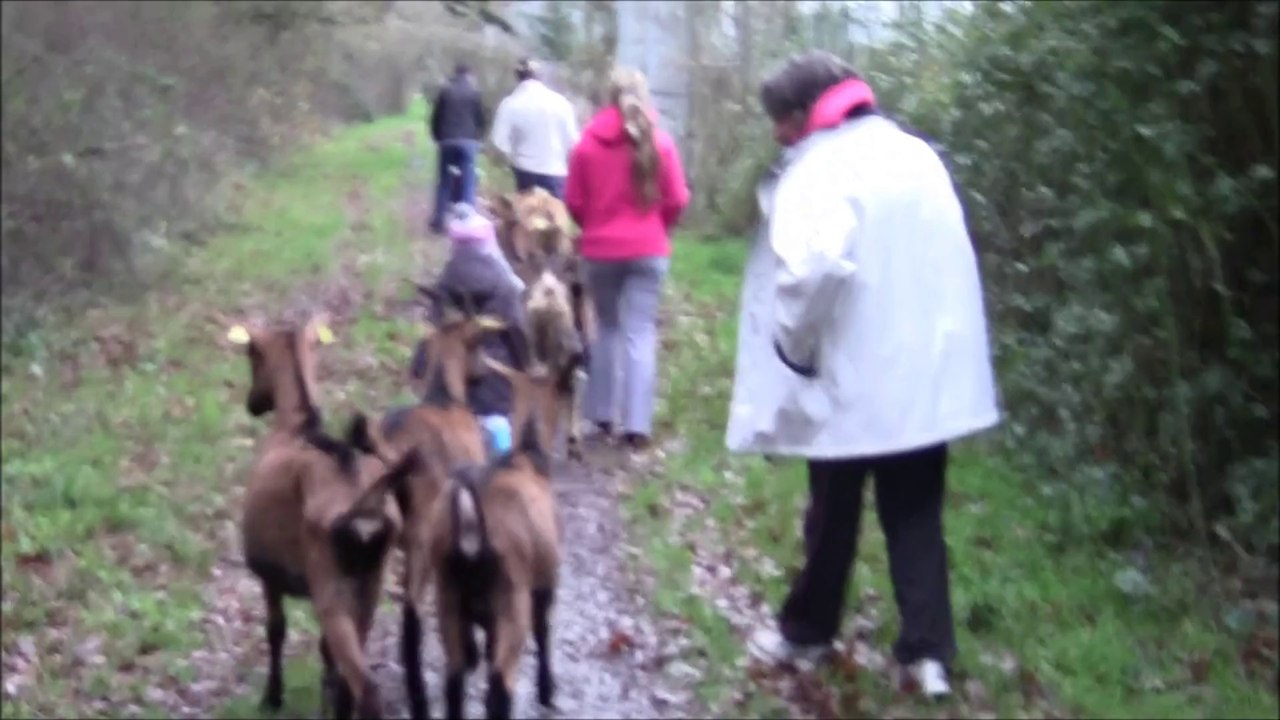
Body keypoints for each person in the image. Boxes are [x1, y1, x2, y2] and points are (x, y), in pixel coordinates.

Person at [724, 51, 1001, 699]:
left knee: (833, 513)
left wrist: (793, 346)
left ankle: (808, 631)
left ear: (805, 113)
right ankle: (928, 656)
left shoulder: (821, 168)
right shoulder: (917, 155)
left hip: (848, 375)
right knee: (916, 514)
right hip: (923, 376)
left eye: (780, 120)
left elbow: (814, 271)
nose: (777, 135)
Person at [565, 67, 690, 454]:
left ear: (609, 97)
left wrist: (593, 227)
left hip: (600, 250)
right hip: (648, 249)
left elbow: (574, 202)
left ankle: (601, 416)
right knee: (640, 332)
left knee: (607, 329)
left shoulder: (586, 146)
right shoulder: (661, 144)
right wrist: (658, 228)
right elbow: (677, 199)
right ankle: (637, 425)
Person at [410, 203, 528, 457]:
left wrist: (419, 366)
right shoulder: (504, 285)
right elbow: (517, 332)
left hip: (447, 381)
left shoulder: (444, 284)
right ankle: (502, 463)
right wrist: (524, 364)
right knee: (498, 425)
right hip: (492, 376)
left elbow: (432, 332)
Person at [489, 57, 580, 199]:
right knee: (554, 212)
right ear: (540, 76)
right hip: (555, 171)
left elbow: (499, 142)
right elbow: (573, 142)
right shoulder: (562, 103)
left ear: (517, 76)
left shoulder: (510, 104)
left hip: (524, 172)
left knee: (526, 211)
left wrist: (511, 158)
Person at [428, 63, 487, 234]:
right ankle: (466, 223)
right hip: (468, 141)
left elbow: (436, 117)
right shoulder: (474, 92)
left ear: (455, 74)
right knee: (468, 181)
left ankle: (439, 221)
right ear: (469, 74)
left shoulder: (445, 91)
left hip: (447, 141)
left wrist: (437, 137)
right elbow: (481, 119)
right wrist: (479, 138)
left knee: (444, 182)